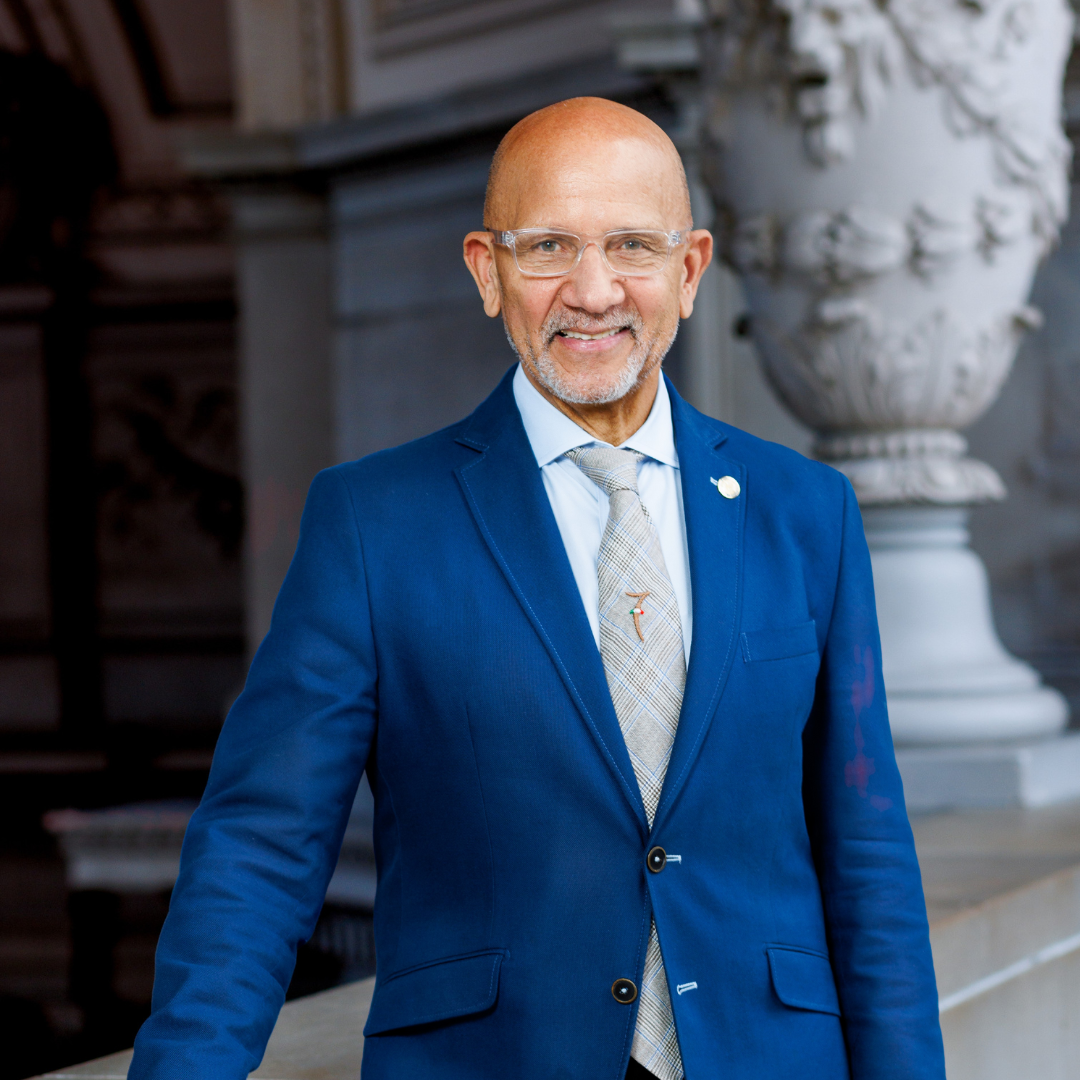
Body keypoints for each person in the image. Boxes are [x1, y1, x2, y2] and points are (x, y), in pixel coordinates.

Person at [129, 97, 945, 1080]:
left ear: (688, 272)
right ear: (489, 270)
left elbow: (868, 856)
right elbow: (262, 847)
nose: (593, 292)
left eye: (632, 247)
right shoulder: (372, 523)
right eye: (549, 245)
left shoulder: (805, 511)